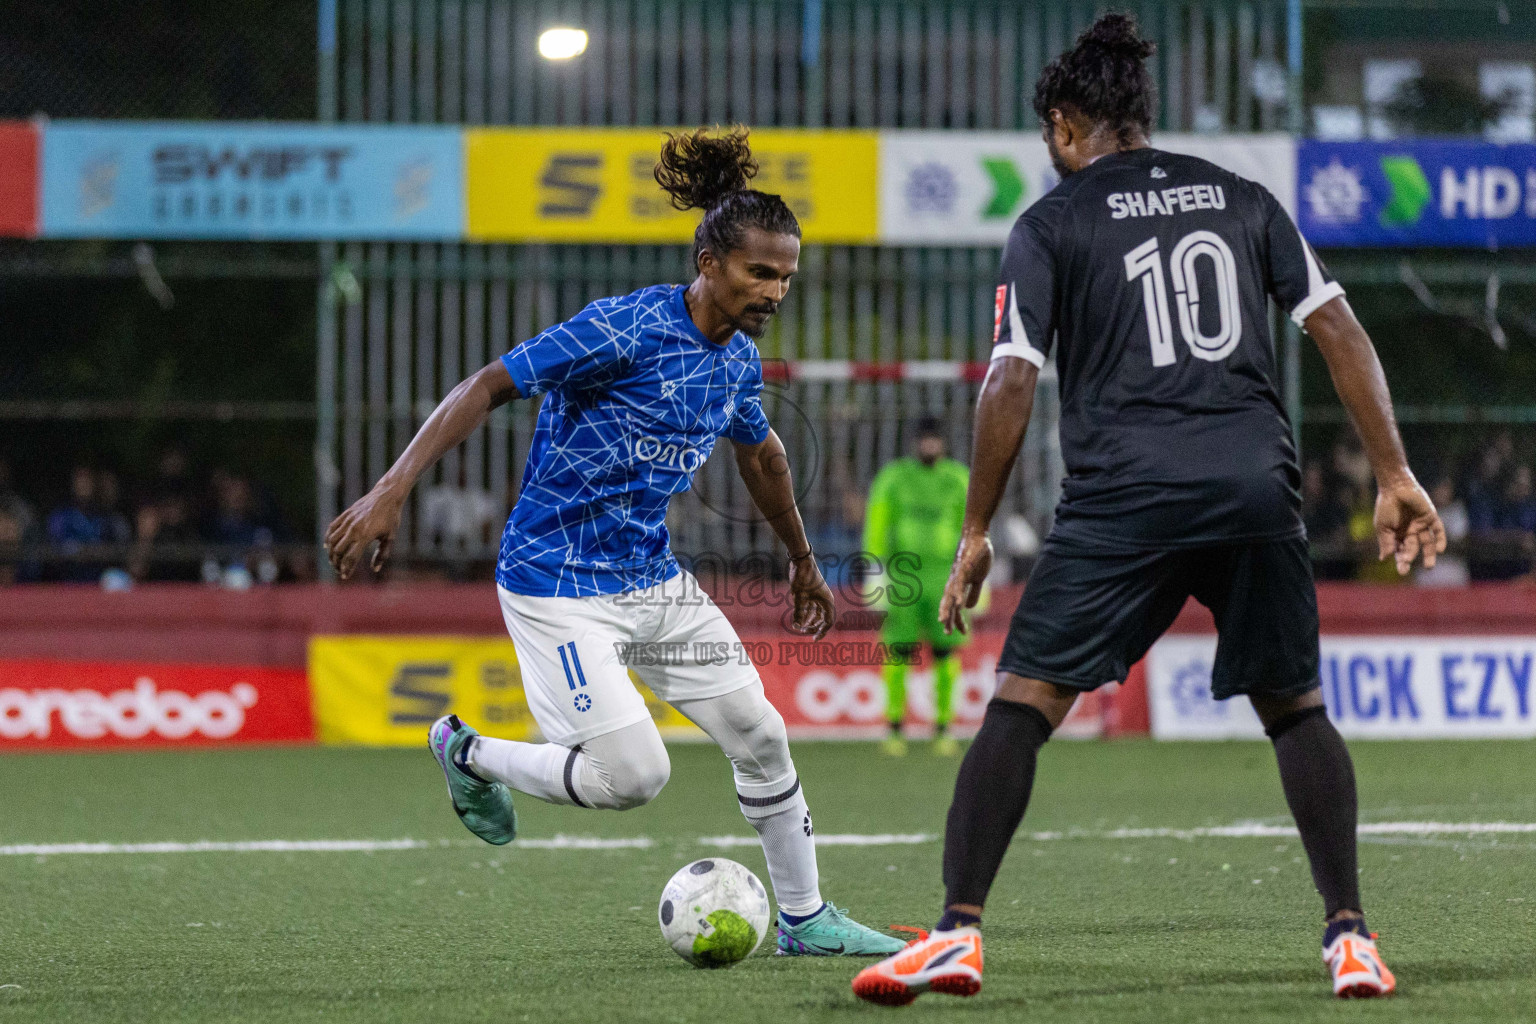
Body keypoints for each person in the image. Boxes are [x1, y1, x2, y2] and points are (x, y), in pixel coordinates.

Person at [853, 15, 1443, 1005]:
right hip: (1254, 486)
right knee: (1296, 709)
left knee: (1022, 704)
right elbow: (1336, 324)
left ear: (1064, 126)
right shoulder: (1246, 197)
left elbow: (1010, 380)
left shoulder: (1052, 222)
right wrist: (1394, 473)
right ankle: (1350, 938)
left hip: (1123, 498)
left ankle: (956, 931)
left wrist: (974, 531)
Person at [325, 127, 904, 959]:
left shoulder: (737, 360)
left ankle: (806, 920)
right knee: (634, 779)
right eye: (759, 272)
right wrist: (391, 488)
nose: (775, 292)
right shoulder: (621, 330)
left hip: (653, 583)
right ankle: (467, 751)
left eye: (786, 276)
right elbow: (491, 383)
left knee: (763, 734)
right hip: (558, 585)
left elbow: (764, 454)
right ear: (709, 263)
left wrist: (804, 562)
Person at [862, 415, 971, 756]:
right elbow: (877, 525)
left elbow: (973, 528)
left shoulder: (958, 479)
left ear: (943, 443)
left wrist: (974, 578)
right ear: (915, 442)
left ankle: (944, 727)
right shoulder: (894, 479)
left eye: (934, 439)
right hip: (902, 579)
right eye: (924, 439)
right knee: (898, 653)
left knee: (945, 654)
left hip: (945, 579)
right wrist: (874, 574)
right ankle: (894, 727)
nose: (929, 445)